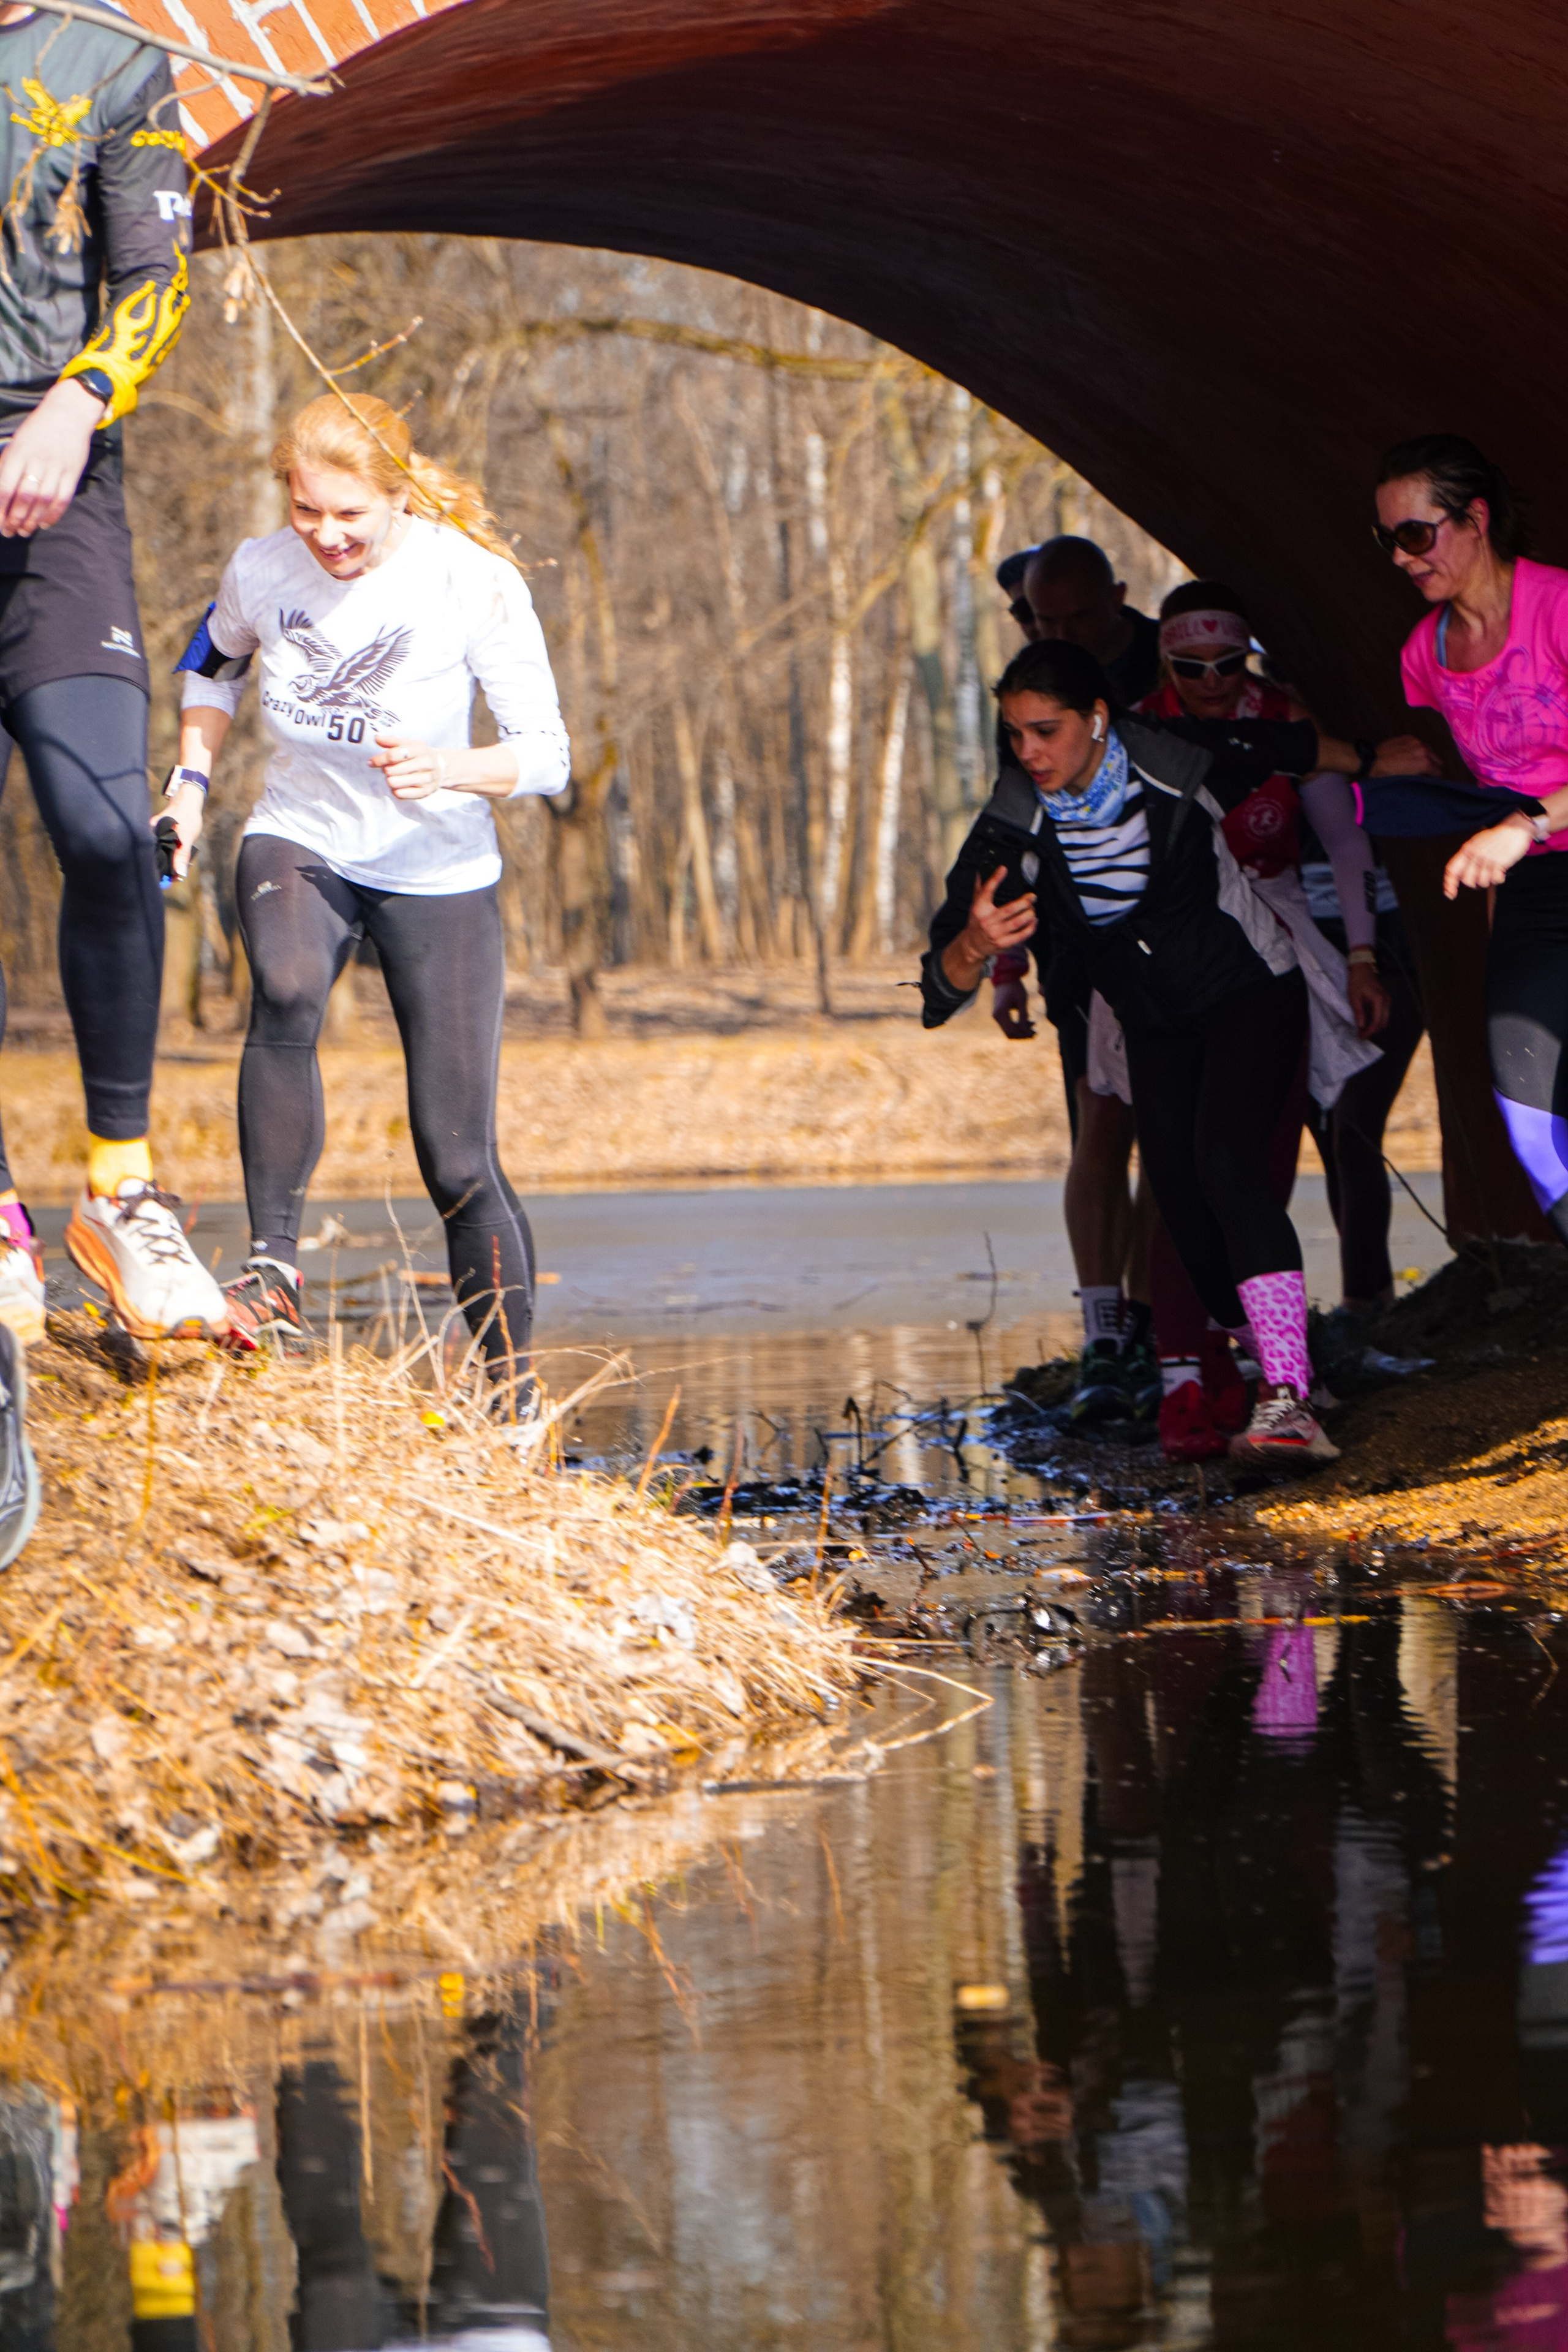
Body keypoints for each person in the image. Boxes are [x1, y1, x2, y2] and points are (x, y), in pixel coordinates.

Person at [921, 638, 1430, 1468]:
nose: (1029, 753)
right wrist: (974, 951)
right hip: (1154, 1019)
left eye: (1045, 731)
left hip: (1248, 989)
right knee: (1185, 1216)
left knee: (1228, 1165)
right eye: (1015, 735)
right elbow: (939, 973)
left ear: (1095, 719)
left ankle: (1290, 1401)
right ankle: (1278, 1359)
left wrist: (1375, 757)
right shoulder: (1018, 814)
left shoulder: (1170, 757)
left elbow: (1283, 748)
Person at [171, 392, 570, 1397]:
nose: (329, 535)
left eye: (350, 513)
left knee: (457, 1160)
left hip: (438, 867)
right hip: (303, 834)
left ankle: (514, 1401)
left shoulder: (470, 581)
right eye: (308, 510)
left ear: (397, 493)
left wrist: (450, 768)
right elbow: (211, 660)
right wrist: (187, 780)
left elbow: (547, 756)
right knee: (290, 985)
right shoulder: (265, 569)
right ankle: (272, 1271)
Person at [0, 1, 228, 1356]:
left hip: (56, 458)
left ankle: (121, 1191)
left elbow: (156, 276)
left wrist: (77, 404)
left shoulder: (110, 56)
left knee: (102, 826)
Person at [1133, 581, 1392, 1458]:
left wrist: (1360, 955)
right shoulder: (1132, 727)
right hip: (1170, 958)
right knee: (1174, 1175)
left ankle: (1279, 1373)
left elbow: (1346, 840)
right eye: (1190, 667)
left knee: (1252, 1161)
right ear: (1165, 663)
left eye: (1228, 664)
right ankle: (1190, 1369)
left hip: (1272, 949)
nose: (1211, 681)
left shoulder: (1284, 723)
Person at [1374, 434, 1568, 1238]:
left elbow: (1518, 807)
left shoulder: (1557, 607)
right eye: (1387, 541)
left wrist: (1527, 824)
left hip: (1535, 842)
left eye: (1415, 535)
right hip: (1535, 886)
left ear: (1476, 519)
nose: (1401, 558)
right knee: (1529, 1112)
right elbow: (1492, 786)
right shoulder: (1426, 657)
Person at [998, 537, 1161, 1422]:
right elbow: (1008, 834)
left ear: (1120, 603)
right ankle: (1104, 1334)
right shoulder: (1030, 690)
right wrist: (1005, 962)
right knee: (1100, 1131)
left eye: (1078, 619)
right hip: (1076, 953)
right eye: (1039, 620)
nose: (1059, 635)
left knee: (1172, 1142)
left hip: (1176, 946)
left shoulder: (1168, 661)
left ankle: (1152, 1323)